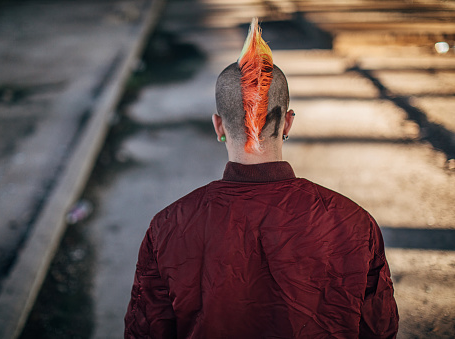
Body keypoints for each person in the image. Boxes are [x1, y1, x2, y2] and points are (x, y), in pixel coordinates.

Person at [124, 18, 399, 339]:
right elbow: (379, 329)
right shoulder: (351, 221)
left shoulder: (169, 226)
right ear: (287, 124)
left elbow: (145, 331)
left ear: (219, 127)